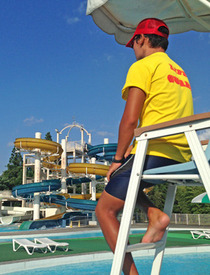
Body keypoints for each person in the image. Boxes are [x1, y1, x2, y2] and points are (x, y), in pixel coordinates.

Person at [95, 18, 193, 275]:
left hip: (154, 151)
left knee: (104, 209)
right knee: (124, 179)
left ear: (142, 39)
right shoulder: (179, 72)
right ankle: (154, 215)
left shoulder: (143, 66)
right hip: (182, 156)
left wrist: (117, 158)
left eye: (134, 43)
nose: (133, 49)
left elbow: (130, 120)